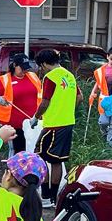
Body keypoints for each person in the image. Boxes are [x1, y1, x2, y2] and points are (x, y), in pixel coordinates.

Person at [28, 49, 81, 207]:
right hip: (68, 123)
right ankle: (53, 197)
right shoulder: (69, 75)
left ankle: (45, 197)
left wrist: (35, 118)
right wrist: (67, 110)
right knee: (57, 161)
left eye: (40, 66)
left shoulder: (50, 77)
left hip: (52, 125)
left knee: (40, 158)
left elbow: (45, 102)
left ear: (43, 64)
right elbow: (79, 97)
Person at [0, 54, 42, 154]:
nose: (24, 71)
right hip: (14, 124)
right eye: (22, 68)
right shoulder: (4, 79)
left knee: (33, 150)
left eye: (26, 68)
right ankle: (13, 169)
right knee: (17, 151)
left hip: (32, 122)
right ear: (14, 65)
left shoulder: (33, 77)